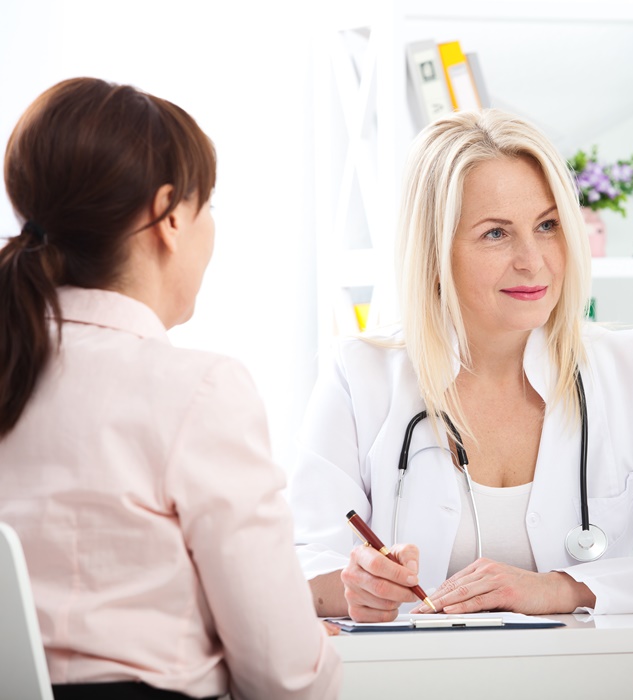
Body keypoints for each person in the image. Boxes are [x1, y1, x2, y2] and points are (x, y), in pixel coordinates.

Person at [288, 108, 633, 622]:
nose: (533, 260)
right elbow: (296, 565)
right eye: (495, 234)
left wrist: (567, 588)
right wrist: (353, 588)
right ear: (434, 252)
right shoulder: (359, 375)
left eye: (547, 225)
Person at [0, 78, 341, 699]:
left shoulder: (12, 363)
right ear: (170, 216)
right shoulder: (196, 391)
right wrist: (313, 650)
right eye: (207, 205)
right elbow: (284, 678)